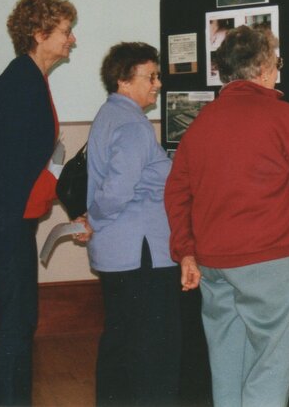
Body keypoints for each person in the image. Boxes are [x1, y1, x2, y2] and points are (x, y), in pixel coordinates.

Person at [165, 25, 289, 407]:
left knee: (226, 362)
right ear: (262, 68)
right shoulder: (280, 115)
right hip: (266, 260)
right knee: (270, 362)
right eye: (276, 61)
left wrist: (186, 251)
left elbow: (176, 192)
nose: (277, 68)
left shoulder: (202, 122)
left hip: (213, 264)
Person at [0, 0, 77, 406]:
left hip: (3, 224)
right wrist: (67, 193)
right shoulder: (22, 88)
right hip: (7, 226)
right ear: (39, 34)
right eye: (65, 31)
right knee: (15, 324)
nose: (71, 40)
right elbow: (19, 171)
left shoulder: (19, 81)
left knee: (16, 322)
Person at [86, 42, 180, 405]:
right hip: (140, 252)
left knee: (121, 339)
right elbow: (119, 189)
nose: (157, 84)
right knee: (152, 349)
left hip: (119, 250)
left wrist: (94, 218)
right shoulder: (133, 125)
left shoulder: (110, 114)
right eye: (150, 76)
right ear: (123, 80)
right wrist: (94, 217)